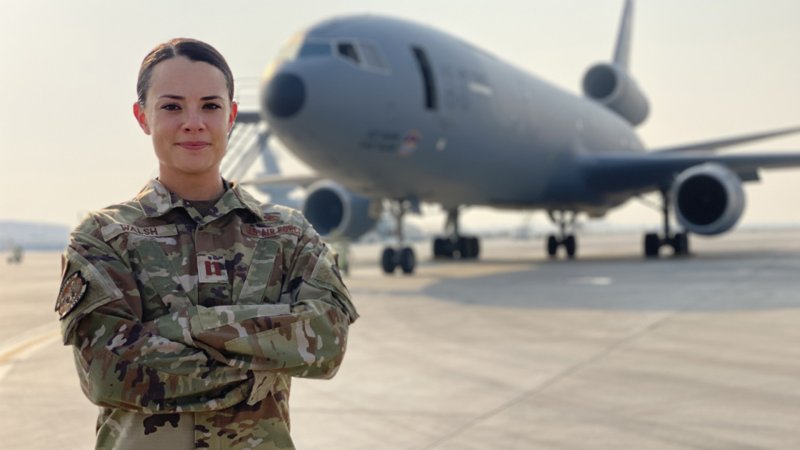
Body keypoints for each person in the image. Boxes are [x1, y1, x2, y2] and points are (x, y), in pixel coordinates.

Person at [54, 38, 358, 450]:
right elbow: (110, 374)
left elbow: (326, 344)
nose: (193, 122)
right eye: (172, 106)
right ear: (142, 116)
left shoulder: (289, 235)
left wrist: (175, 330)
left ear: (231, 115)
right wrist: (260, 366)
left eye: (211, 106)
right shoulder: (103, 236)